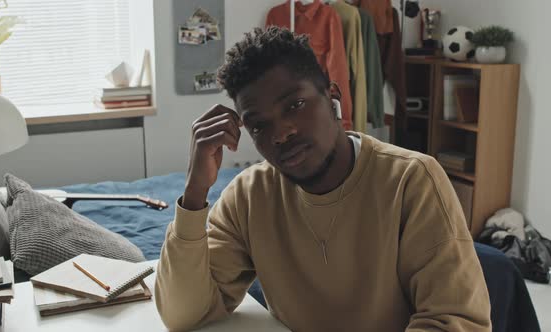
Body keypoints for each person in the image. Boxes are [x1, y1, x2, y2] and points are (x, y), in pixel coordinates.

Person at [155, 26, 491, 332]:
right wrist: (195, 192)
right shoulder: (248, 196)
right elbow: (184, 314)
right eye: (259, 125)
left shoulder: (410, 182)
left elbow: (456, 322)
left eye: (295, 104)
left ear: (333, 97)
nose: (282, 133)